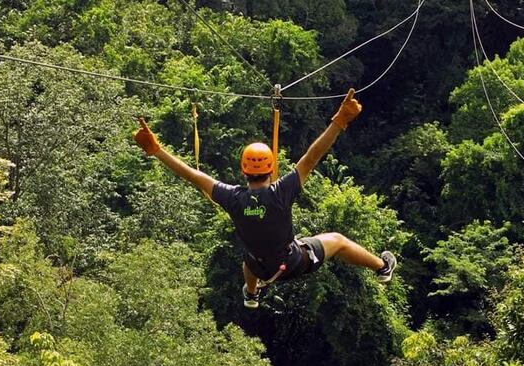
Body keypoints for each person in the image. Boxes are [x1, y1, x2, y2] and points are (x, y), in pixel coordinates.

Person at [133, 89, 396, 309]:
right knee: (337, 240)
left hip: (261, 268)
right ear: (271, 169)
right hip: (292, 263)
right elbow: (312, 156)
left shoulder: (232, 198)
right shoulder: (282, 191)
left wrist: (157, 151)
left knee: (250, 255)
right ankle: (382, 267)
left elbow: (192, 175)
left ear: (243, 170)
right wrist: (339, 122)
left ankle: (251, 293)